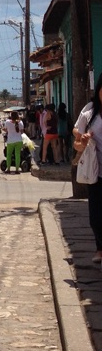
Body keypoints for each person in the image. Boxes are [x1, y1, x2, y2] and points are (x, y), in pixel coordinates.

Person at [74, 74, 102, 265]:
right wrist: (82, 141)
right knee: (96, 216)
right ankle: (100, 247)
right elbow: (77, 144)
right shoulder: (91, 114)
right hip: (97, 172)